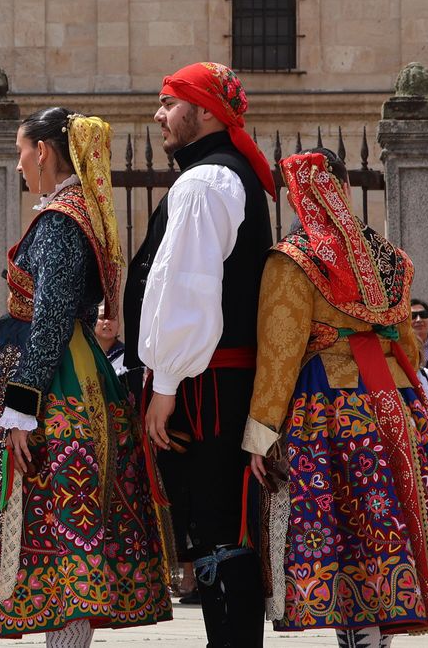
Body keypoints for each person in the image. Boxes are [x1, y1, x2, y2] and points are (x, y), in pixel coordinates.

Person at [245, 150, 428, 643]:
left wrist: (261, 431)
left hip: (331, 410)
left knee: (347, 540)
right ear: (345, 188)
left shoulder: (293, 259)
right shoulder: (388, 257)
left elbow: (279, 351)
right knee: (389, 530)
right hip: (397, 405)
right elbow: (409, 346)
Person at [0, 108, 172, 645]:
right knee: (71, 539)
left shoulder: (62, 220)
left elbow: (51, 320)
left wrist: (22, 409)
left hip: (60, 388)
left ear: (42, 151)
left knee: (62, 537)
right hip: (78, 374)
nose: (18, 164)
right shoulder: (76, 212)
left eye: (21, 151)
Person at [123, 62, 274, 648]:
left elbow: (187, 290)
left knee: (217, 530)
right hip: (215, 379)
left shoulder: (204, 182)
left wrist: (164, 386)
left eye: (168, 103)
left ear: (205, 111)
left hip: (203, 384)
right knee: (220, 531)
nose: (159, 116)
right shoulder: (227, 176)